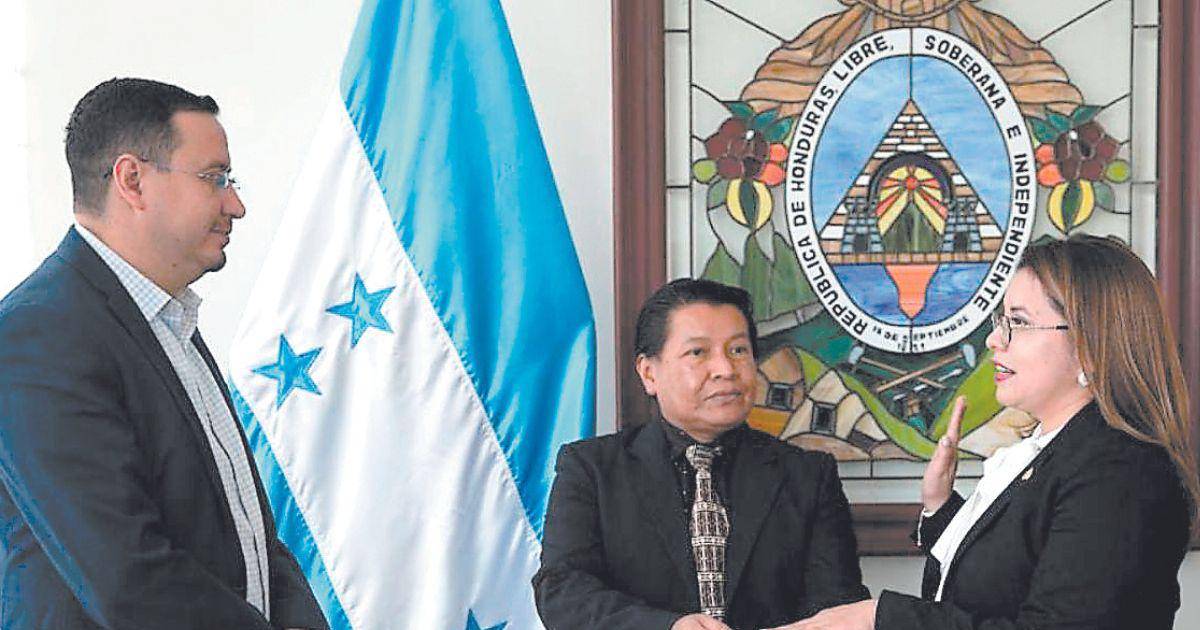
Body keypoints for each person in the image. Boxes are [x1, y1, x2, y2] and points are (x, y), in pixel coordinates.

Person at [0, 78, 328, 629]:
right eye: (214, 178)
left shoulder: (170, 322)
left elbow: (252, 540)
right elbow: (131, 581)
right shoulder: (36, 336)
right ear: (132, 180)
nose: (236, 205)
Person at [788, 235, 1199, 630]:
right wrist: (940, 507)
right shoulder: (1059, 450)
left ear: (1090, 344)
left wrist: (880, 618)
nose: (993, 340)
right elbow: (1006, 575)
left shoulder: (1119, 472)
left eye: (1018, 322)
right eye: (1002, 321)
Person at [533, 278, 869, 629]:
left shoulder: (807, 475)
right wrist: (668, 627)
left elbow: (840, 608)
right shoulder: (593, 469)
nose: (725, 369)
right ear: (649, 373)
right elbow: (562, 591)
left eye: (738, 350)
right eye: (698, 353)